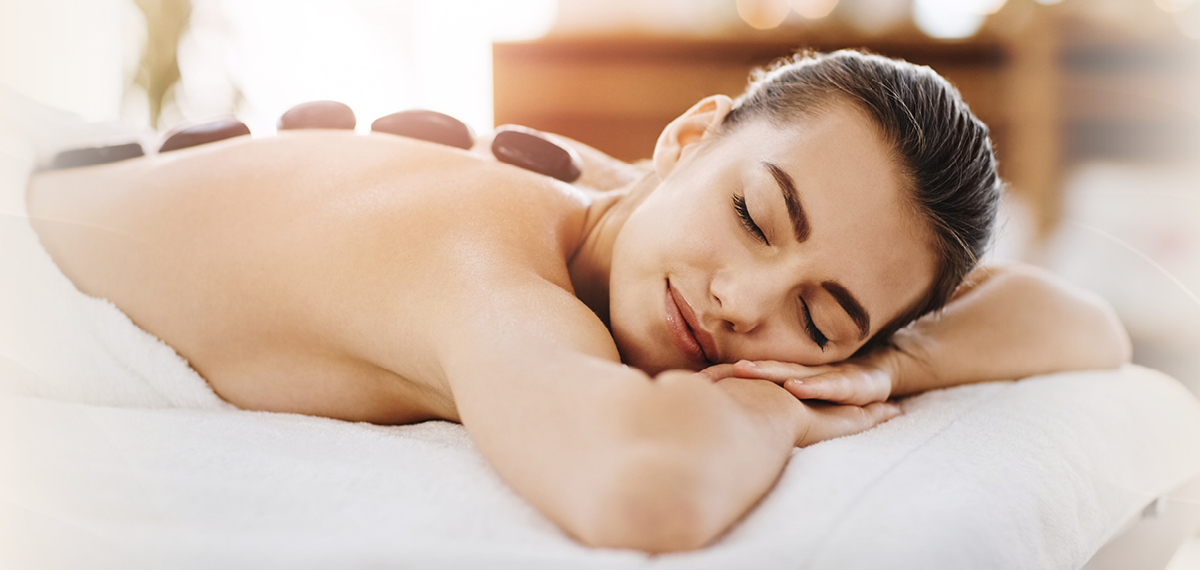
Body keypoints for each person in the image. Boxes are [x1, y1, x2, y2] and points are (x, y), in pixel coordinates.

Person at [25, 50, 1129, 552]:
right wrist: (778, 403)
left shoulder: (626, 207)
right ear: (688, 138)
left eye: (822, 315)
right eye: (755, 215)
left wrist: (884, 363)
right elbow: (640, 489)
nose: (746, 306)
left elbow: (1081, 324)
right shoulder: (477, 259)